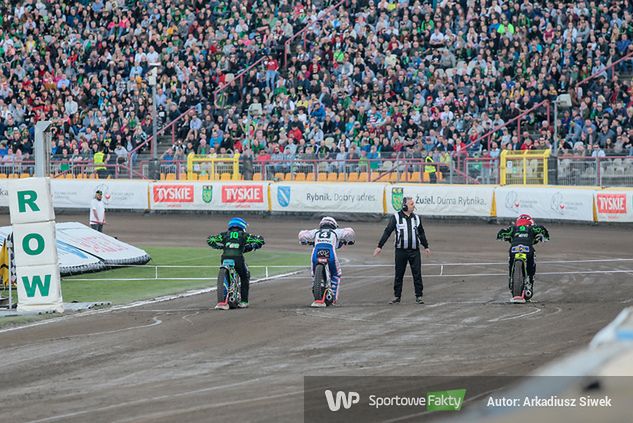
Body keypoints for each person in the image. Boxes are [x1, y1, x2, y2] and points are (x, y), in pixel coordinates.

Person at [374, 197, 431, 304]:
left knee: (417, 273)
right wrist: (379, 246)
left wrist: (426, 246)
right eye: (411, 204)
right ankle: (397, 296)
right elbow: (387, 232)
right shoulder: (396, 217)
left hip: (414, 251)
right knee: (399, 274)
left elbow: (421, 233)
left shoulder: (416, 218)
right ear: (405, 206)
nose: (413, 206)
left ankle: (419, 296)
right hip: (401, 251)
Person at [207, 218, 265, 310]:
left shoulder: (224, 235)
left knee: (225, 277)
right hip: (238, 259)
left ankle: (223, 298)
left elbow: (210, 239)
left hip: (224, 258)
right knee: (244, 277)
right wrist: (255, 245)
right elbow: (260, 240)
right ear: (242, 226)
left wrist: (219, 247)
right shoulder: (244, 235)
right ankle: (244, 301)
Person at [298, 217, 355, 307]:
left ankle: (316, 290)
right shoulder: (336, 231)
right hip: (330, 253)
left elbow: (301, 235)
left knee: (313, 275)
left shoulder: (316, 232)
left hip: (316, 253)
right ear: (333, 225)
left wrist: (303, 242)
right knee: (336, 274)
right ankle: (334, 299)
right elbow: (350, 231)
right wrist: (350, 240)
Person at [496, 214, 550, 302]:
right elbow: (542, 229)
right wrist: (545, 237)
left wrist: (502, 237)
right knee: (532, 264)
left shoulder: (513, 228)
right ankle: (529, 281)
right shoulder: (532, 228)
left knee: (511, 262)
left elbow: (501, 233)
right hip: (528, 249)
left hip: (514, 249)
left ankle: (511, 279)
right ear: (530, 222)